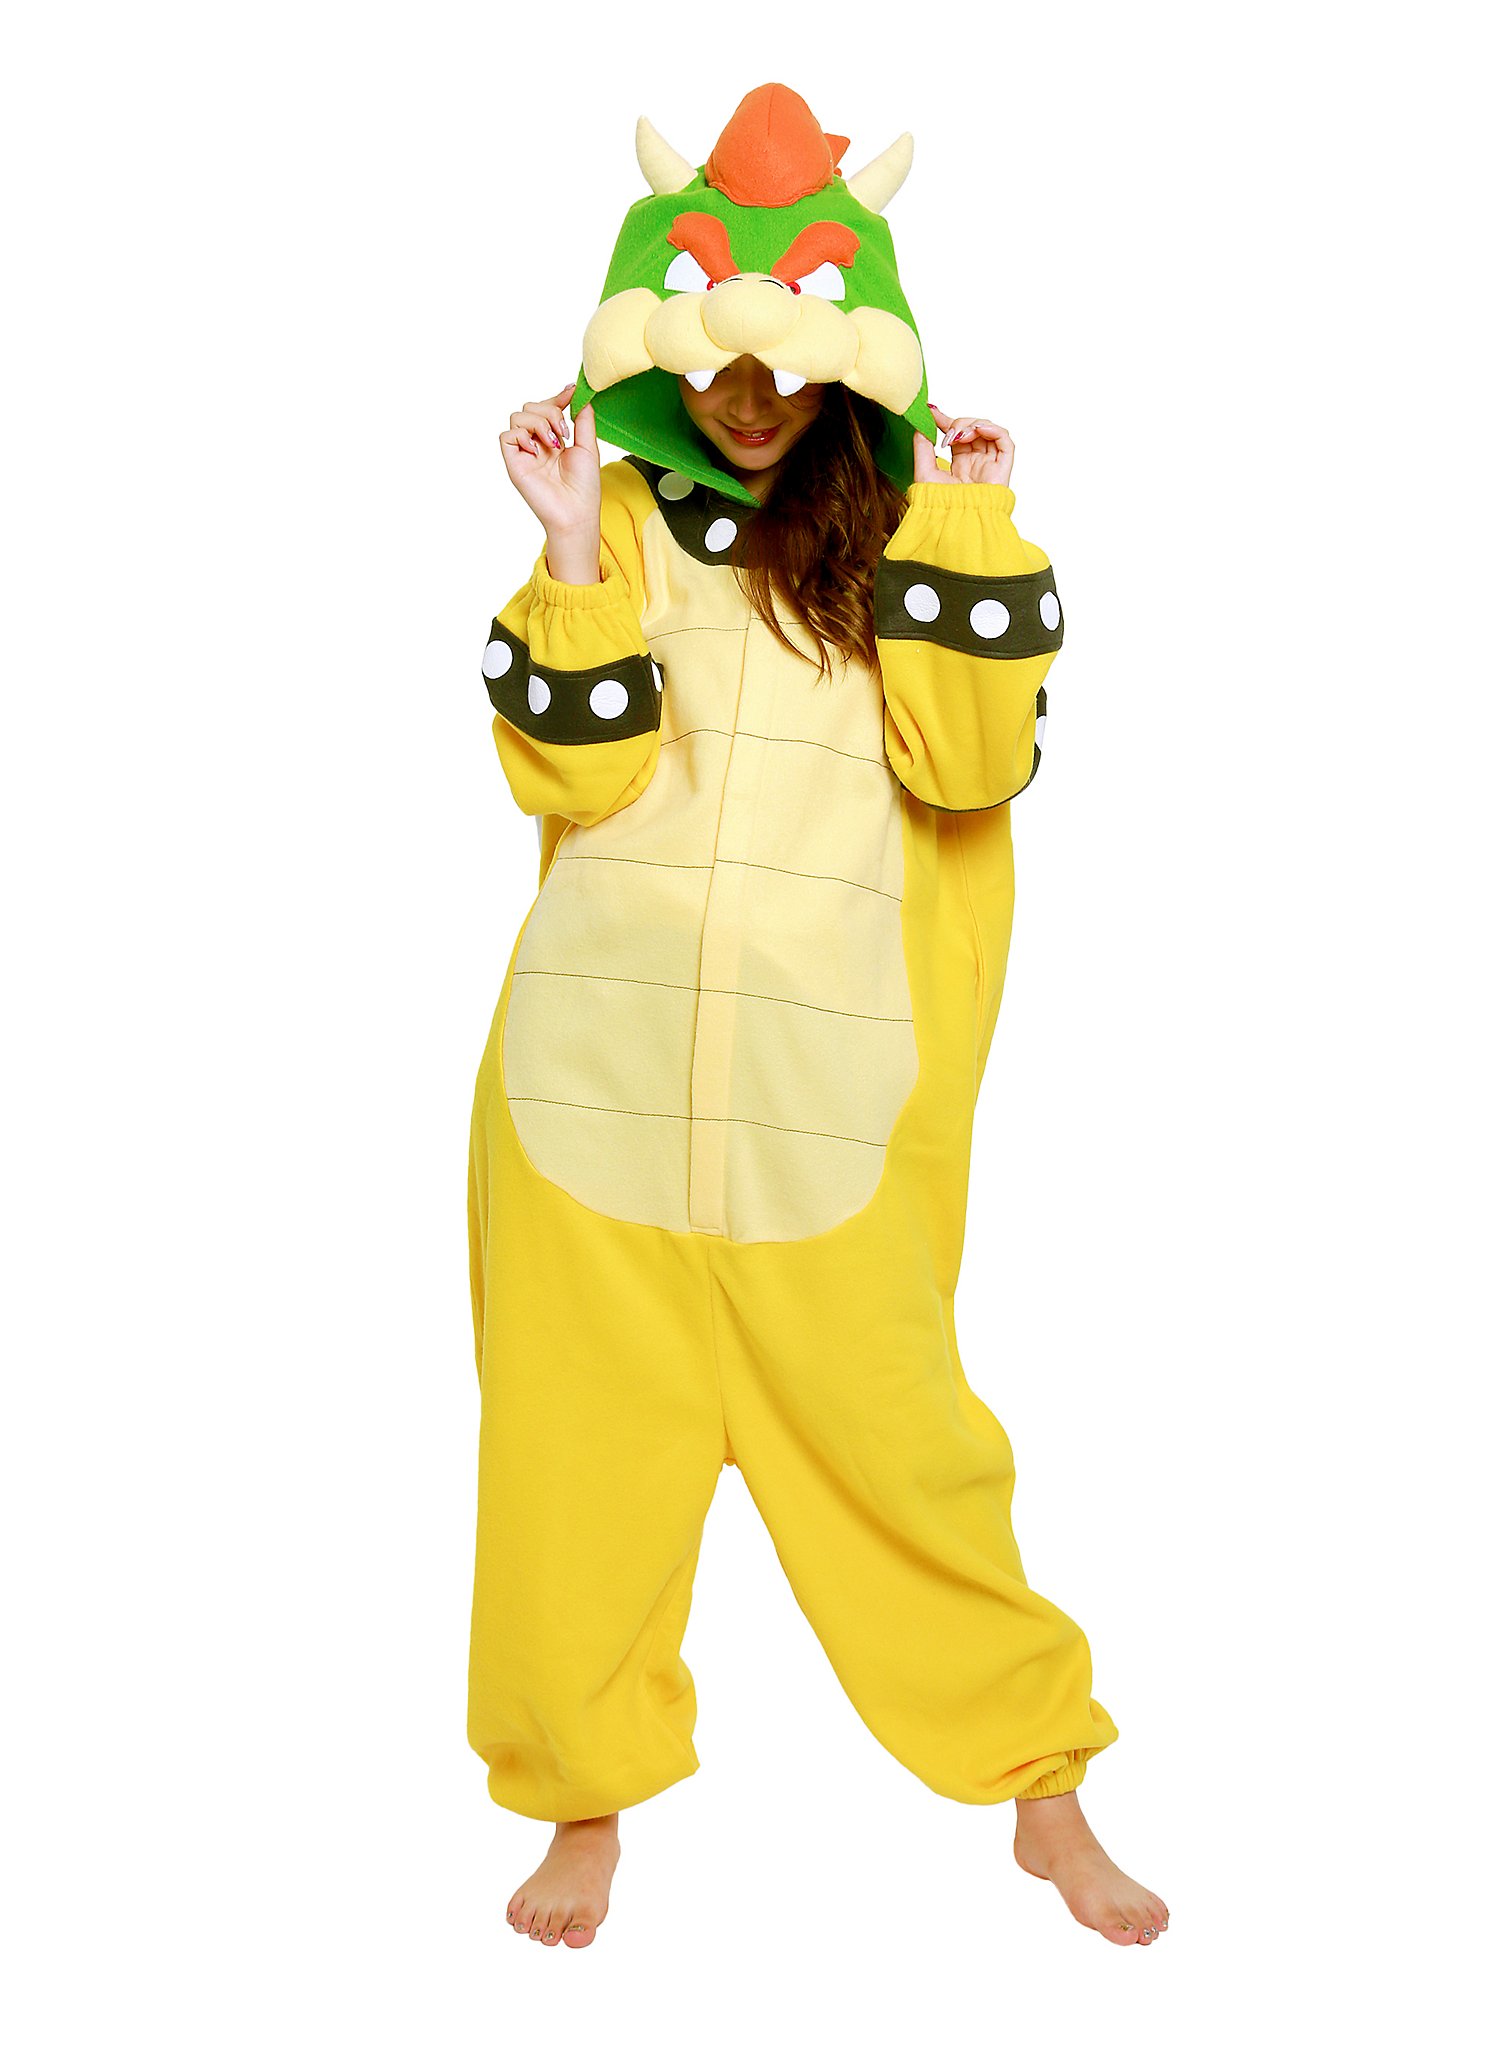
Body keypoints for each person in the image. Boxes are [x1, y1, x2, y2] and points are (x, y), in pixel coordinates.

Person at [468, 83, 1169, 1952]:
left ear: (852, 357)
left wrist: (973, 529)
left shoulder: (913, 533)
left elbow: (971, 764)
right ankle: (583, 1802)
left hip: (827, 1099)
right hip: (591, 1081)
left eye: (783, 370)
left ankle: (1041, 1791)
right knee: (569, 1468)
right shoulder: (618, 518)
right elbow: (568, 778)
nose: (748, 399)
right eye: (714, 366)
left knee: (908, 1456)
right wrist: (564, 546)